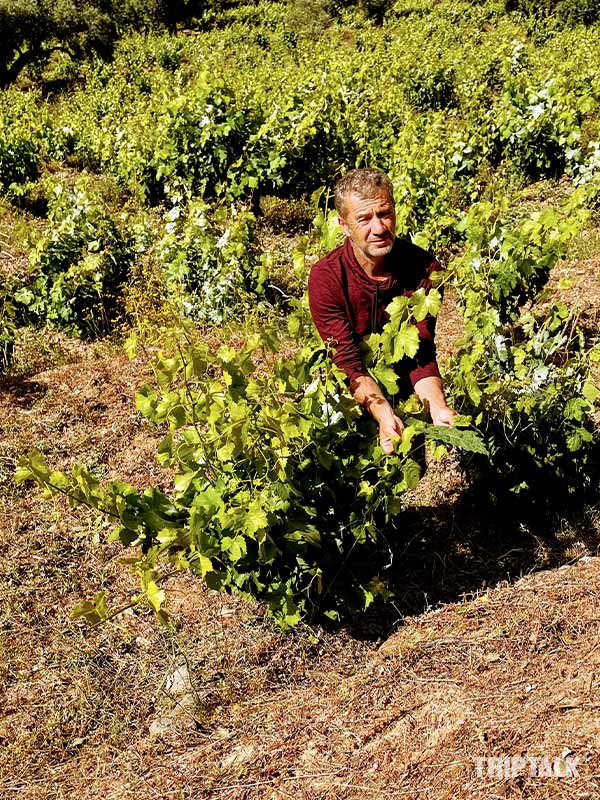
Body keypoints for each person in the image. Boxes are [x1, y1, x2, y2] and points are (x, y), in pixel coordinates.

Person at [308, 167, 457, 455]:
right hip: (345, 394)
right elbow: (348, 363)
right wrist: (382, 412)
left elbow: (420, 352)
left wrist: (438, 407)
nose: (378, 228)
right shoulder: (326, 279)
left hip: (404, 387)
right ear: (343, 225)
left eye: (384, 214)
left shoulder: (424, 270)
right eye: (364, 219)